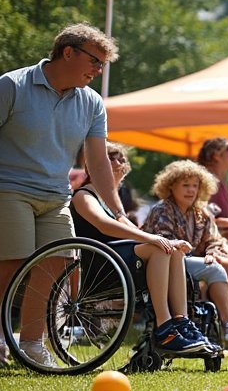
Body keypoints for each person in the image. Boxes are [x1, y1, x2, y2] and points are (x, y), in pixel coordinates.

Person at [0, 24, 128, 367]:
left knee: (57, 265)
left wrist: (117, 211)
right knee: (10, 265)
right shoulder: (12, 85)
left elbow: (98, 162)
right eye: (95, 61)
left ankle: (32, 345)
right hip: (9, 189)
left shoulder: (92, 102)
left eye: (102, 65)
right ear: (68, 52)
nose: (98, 71)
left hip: (56, 197)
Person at [72, 143, 217, 356]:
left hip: (120, 260)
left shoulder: (111, 201)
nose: (119, 162)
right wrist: (154, 238)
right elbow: (104, 225)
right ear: (92, 165)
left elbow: (131, 230)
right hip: (101, 265)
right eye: (111, 158)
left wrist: (169, 242)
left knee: (173, 250)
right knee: (160, 249)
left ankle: (181, 322)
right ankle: (164, 327)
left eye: (121, 159)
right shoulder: (84, 195)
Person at [142, 160, 228, 346]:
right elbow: (165, 243)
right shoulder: (162, 209)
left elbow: (214, 239)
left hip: (193, 261)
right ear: (170, 186)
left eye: (195, 185)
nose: (191, 190)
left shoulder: (201, 212)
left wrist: (212, 252)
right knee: (218, 268)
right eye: (185, 185)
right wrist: (207, 257)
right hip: (167, 263)